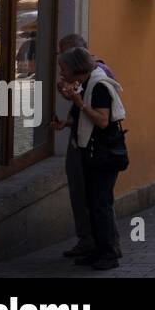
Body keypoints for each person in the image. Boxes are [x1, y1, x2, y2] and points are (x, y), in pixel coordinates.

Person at [50, 44, 126, 270]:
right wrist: (66, 122)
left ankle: (109, 254)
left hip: (103, 155)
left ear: (75, 68)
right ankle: (97, 250)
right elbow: (86, 119)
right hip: (91, 152)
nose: (62, 74)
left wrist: (79, 103)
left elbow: (102, 120)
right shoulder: (87, 83)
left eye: (64, 69)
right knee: (92, 204)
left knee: (100, 205)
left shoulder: (99, 86)